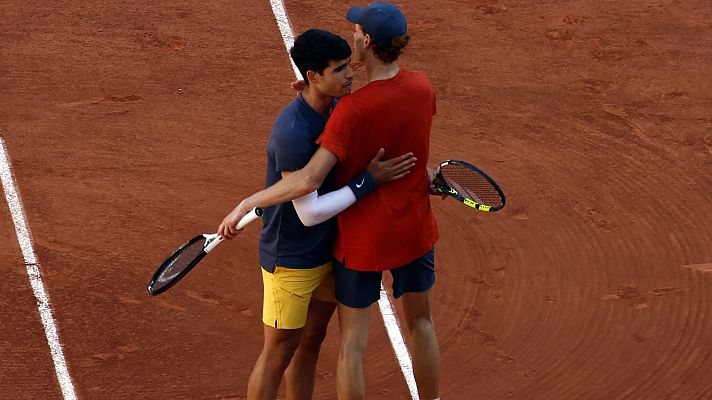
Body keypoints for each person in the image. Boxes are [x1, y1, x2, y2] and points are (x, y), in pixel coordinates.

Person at [219, 3, 441, 399]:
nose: (349, 73)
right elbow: (407, 152)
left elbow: (310, 179)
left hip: (359, 241)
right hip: (401, 231)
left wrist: (246, 203)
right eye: (338, 70)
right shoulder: (422, 86)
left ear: (367, 42)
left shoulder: (349, 109)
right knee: (418, 324)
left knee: (342, 346)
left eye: (355, 35)